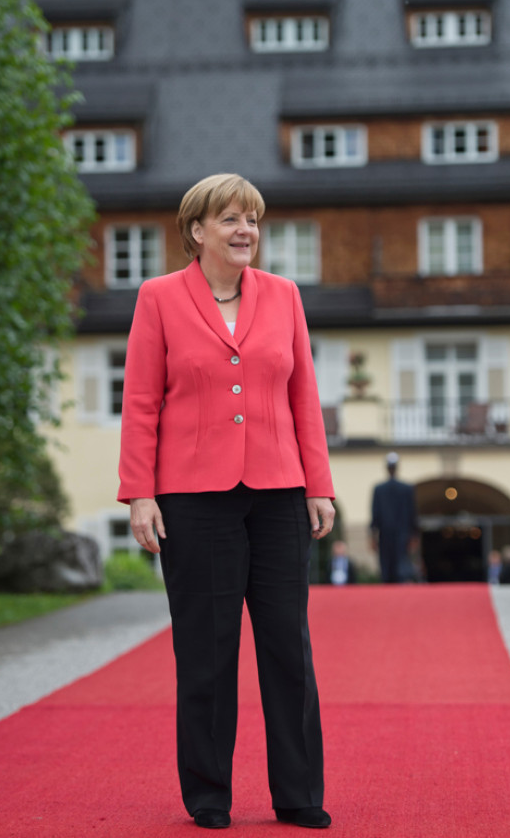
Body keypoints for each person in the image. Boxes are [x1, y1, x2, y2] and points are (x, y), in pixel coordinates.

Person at [117, 173, 335, 831]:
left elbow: (303, 396)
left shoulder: (285, 297)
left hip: (277, 494)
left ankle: (298, 793)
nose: (246, 230)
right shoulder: (158, 298)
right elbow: (141, 400)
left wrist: (318, 484)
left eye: (253, 219)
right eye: (232, 219)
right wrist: (139, 494)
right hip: (193, 500)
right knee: (207, 653)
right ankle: (209, 795)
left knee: (287, 649)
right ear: (197, 231)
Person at [370, 452, 418, 584]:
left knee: (387, 564)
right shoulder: (407, 488)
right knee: (400, 564)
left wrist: (373, 536)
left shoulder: (379, 489)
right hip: (402, 533)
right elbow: (412, 514)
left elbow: (375, 515)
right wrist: (414, 535)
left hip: (385, 533)